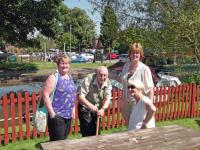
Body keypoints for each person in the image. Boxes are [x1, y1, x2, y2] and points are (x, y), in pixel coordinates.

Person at [43, 55, 77, 141]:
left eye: (67, 63)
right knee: (57, 143)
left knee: (64, 141)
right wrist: (52, 113)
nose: (65, 66)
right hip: (57, 116)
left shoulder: (70, 77)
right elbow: (45, 95)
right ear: (58, 65)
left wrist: (73, 110)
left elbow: (72, 94)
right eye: (62, 63)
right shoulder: (53, 77)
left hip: (68, 115)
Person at [121, 42, 154, 125]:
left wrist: (149, 105)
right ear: (130, 54)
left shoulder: (144, 69)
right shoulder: (126, 66)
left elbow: (150, 89)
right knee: (130, 127)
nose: (135, 55)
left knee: (138, 128)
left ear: (140, 55)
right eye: (133, 53)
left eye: (137, 53)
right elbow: (124, 84)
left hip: (138, 104)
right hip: (126, 103)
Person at [78, 66, 112, 137]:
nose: (102, 77)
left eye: (105, 75)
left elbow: (108, 99)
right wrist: (90, 106)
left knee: (97, 132)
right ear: (96, 74)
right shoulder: (88, 79)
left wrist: (103, 109)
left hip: (97, 108)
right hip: (85, 107)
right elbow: (80, 96)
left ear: (107, 75)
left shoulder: (108, 83)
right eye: (100, 75)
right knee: (88, 132)